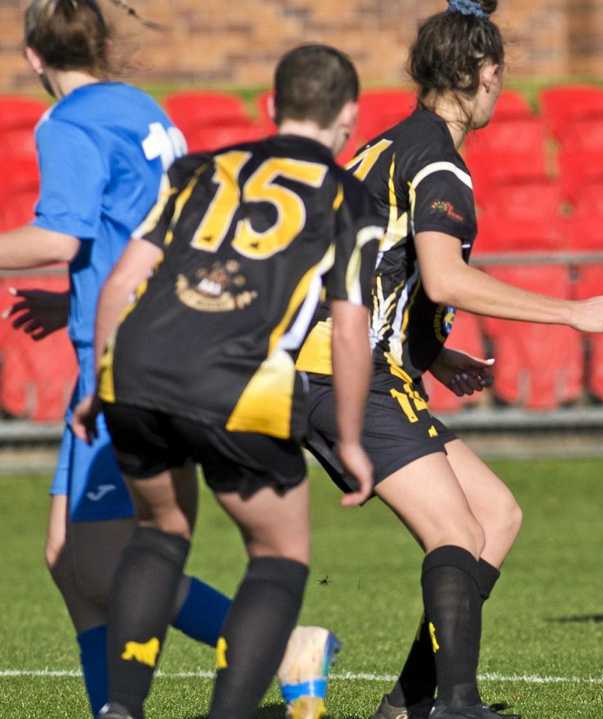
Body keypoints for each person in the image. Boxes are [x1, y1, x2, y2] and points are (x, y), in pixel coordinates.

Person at [292, 2, 603, 717]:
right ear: (483, 74)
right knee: (454, 534)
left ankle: (409, 700)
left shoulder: (384, 148)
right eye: (499, 74)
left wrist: (433, 350)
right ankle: (456, 704)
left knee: (496, 515)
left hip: (342, 363)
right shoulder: (438, 163)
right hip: (350, 373)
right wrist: (574, 311)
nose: (500, 87)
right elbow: (445, 277)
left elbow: (378, 271)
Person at [0, 4, 342, 717]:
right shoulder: (141, 108)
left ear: (34, 56)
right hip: (157, 338)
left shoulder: (67, 122)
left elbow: (58, 238)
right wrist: (75, 302)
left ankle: (281, 645)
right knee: (69, 561)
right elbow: (134, 230)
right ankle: (117, 707)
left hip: (121, 362)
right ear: (101, 43)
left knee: (105, 558)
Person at [72, 43, 379, 719]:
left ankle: (120, 708)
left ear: (271, 106)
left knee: (159, 532)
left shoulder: (199, 169)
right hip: (241, 382)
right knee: (279, 555)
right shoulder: (351, 198)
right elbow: (350, 328)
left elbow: (123, 280)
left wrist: (100, 376)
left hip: (138, 366)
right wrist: (351, 441)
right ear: (349, 118)